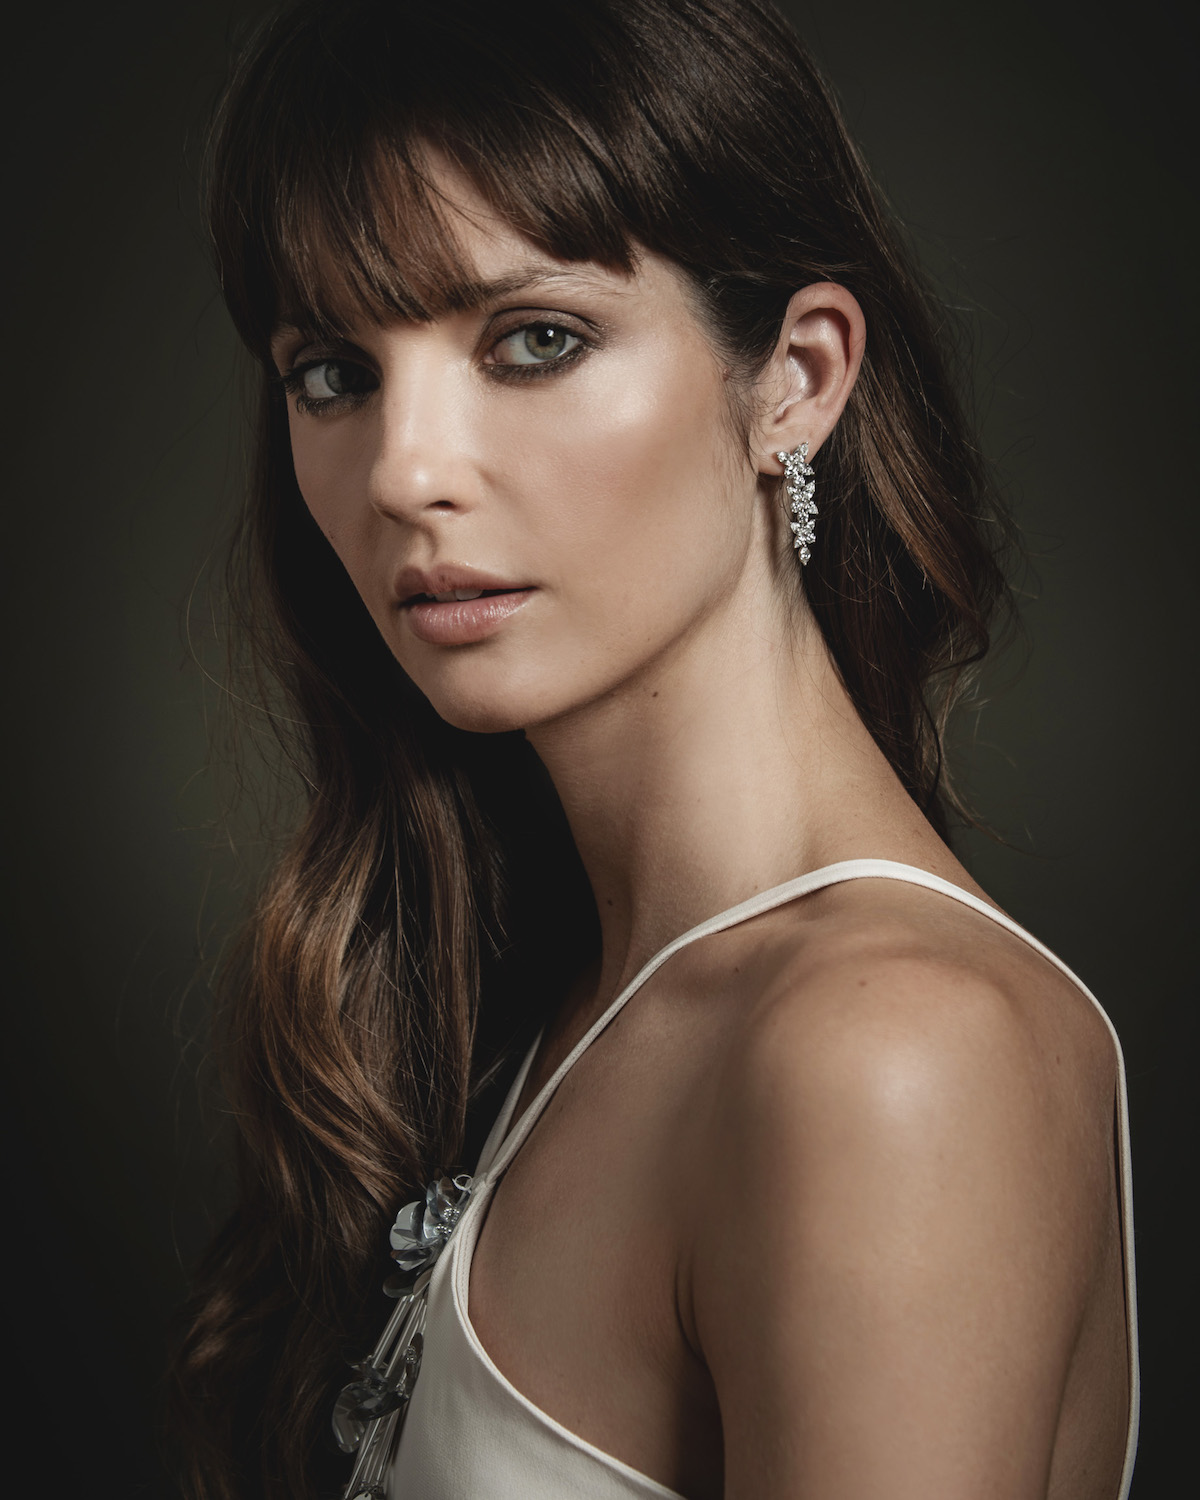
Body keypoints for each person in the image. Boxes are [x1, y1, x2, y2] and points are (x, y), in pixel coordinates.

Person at [170, 1, 1138, 1496]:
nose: (405, 472)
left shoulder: (889, 1055)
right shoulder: (548, 997)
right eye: (333, 375)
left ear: (796, 378)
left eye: (534, 341)